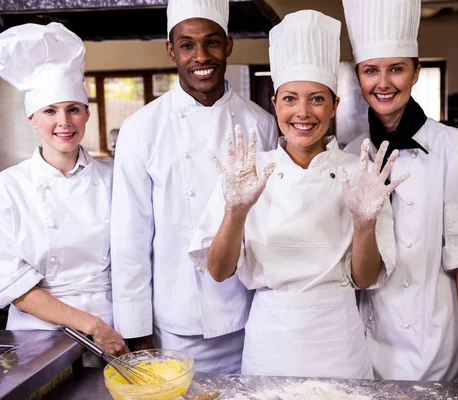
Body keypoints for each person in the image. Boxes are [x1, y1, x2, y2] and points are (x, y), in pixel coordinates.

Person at [188, 9, 404, 379]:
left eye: (317, 99)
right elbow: (219, 271)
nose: (302, 112)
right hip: (271, 337)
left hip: (338, 336)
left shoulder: (359, 172)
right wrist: (236, 212)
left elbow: (365, 279)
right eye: (290, 98)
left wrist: (364, 223)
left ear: (335, 105)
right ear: (275, 104)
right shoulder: (247, 172)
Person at [342, 0, 458, 392]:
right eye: (371, 71)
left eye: (397, 69)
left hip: (436, 345)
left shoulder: (452, 147)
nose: (383, 83)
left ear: (416, 71)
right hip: (367, 346)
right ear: (358, 77)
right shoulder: (351, 154)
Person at [110, 0, 278, 373]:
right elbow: (129, 239)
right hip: (176, 321)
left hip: (253, 316)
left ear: (229, 45)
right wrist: (136, 330)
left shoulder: (261, 123)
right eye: (187, 44)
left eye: (212, 42)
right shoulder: (142, 128)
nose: (200, 55)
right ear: (171, 50)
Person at [0, 22, 127, 356]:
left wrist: (116, 327)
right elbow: (17, 288)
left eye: (73, 109)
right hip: (38, 336)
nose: (64, 123)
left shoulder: (116, 178)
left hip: (115, 325)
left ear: (86, 113)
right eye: (50, 111)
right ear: (32, 118)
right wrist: (93, 326)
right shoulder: (8, 187)